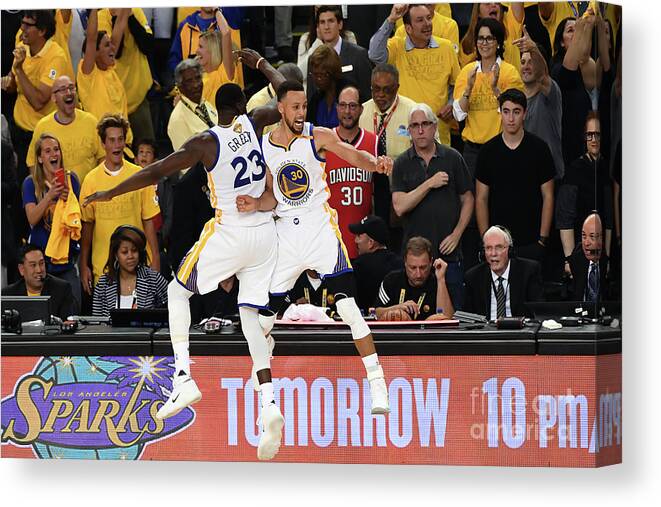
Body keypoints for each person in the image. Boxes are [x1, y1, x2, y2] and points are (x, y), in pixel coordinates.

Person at [84, 49, 287, 462]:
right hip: (267, 235)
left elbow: (155, 171)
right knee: (249, 318)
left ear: (217, 109)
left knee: (178, 294)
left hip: (231, 228)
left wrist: (109, 192)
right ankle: (268, 403)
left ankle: (183, 377)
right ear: (242, 107)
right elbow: (287, 91)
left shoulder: (206, 142)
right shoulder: (258, 120)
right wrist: (262, 64)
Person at [236, 79, 393, 419]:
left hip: (320, 230)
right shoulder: (264, 145)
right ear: (280, 108)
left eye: (304, 106)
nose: (301, 112)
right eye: (295, 107)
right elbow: (271, 196)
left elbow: (353, 154)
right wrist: (253, 204)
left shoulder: (315, 135)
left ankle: (377, 380)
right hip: (286, 238)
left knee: (350, 310)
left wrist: (375, 163)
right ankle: (266, 359)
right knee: (264, 318)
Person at [391, 103, 474, 308]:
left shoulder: (453, 158)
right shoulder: (402, 163)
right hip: (415, 263)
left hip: (449, 255)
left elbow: (468, 198)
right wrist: (429, 183)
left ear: (435, 127)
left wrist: (457, 233)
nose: (420, 130)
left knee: (452, 317)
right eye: (415, 125)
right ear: (409, 131)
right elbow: (400, 206)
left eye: (425, 124)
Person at [79, 113, 161, 292]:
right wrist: (83, 264)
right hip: (103, 269)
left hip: (138, 267)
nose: (117, 145)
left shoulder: (140, 175)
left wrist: (155, 259)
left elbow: (148, 221)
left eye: (120, 139)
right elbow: (87, 226)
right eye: (111, 140)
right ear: (103, 144)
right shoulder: (91, 180)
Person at [475, 88, 555, 263]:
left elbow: (548, 195)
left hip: (532, 242)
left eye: (516, 112)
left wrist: (542, 239)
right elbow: (481, 198)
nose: (511, 118)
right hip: (497, 244)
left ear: (524, 114)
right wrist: (486, 242)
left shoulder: (540, 149)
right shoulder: (487, 152)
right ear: (500, 113)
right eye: (506, 111)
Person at [368, 4, 460, 146]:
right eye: (420, 20)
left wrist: (451, 104)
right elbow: (374, 54)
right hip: (404, 134)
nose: (428, 24)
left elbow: (458, 85)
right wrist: (391, 20)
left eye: (429, 18)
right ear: (408, 28)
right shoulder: (397, 46)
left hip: (438, 134)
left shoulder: (446, 47)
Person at [453, 16, 525, 176]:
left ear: (498, 42)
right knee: (472, 197)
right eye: (480, 38)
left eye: (489, 38)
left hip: (500, 145)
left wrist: (495, 88)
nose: (484, 43)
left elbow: (514, 111)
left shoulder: (509, 72)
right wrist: (469, 87)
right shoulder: (467, 72)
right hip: (472, 150)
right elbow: (459, 115)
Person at [2, 10, 68, 182]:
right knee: (19, 188)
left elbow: (39, 101)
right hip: (18, 130)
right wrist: (9, 82)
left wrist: (18, 70)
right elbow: (13, 84)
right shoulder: (22, 45)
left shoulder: (56, 57)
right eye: (22, 23)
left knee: (41, 187)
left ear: (42, 31)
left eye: (27, 25)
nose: (21, 28)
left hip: (41, 136)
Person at [22, 133, 81, 312]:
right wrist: (50, 196)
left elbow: (78, 221)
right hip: (42, 264)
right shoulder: (31, 183)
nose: (53, 154)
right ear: (40, 158)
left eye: (56, 149)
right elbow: (32, 218)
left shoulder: (72, 181)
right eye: (47, 151)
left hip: (67, 262)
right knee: (41, 314)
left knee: (72, 312)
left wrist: (68, 198)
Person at [359, 63, 419, 229]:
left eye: (387, 90)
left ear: (397, 87)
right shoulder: (361, 112)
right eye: (376, 89)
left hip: (403, 191)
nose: (381, 95)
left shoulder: (412, 112)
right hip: (369, 194)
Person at [557, 113, 613, 277]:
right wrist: (569, 259)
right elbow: (565, 218)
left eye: (598, 134)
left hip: (601, 253)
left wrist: (607, 258)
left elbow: (609, 218)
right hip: (578, 251)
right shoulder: (575, 169)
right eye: (589, 135)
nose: (594, 139)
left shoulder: (605, 168)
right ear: (584, 137)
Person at [325, 84, 377, 259]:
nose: (347, 111)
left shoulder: (374, 142)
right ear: (337, 108)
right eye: (343, 105)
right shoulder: (323, 143)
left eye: (353, 106)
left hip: (364, 242)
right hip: (330, 239)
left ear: (361, 109)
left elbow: (382, 196)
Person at [26, 75, 105, 183]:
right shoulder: (43, 127)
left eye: (72, 88)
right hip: (57, 194)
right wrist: (43, 190)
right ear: (54, 98)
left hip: (89, 194)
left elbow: (103, 157)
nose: (69, 92)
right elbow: (32, 162)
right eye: (63, 90)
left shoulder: (91, 122)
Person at [76, 9, 134, 151]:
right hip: (102, 150)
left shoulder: (110, 69)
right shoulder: (88, 73)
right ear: (95, 52)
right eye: (107, 45)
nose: (113, 47)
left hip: (125, 147)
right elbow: (91, 39)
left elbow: (120, 22)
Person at [97, 8, 155, 142]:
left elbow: (148, 46)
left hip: (138, 97)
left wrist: (129, 17)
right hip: (114, 102)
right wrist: (119, 18)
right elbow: (116, 52)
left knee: (148, 150)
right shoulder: (102, 18)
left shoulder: (135, 11)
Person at [514, 26, 564, 180]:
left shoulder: (551, 92)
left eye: (531, 62)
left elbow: (542, 76)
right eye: (523, 62)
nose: (526, 66)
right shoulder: (517, 99)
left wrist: (533, 48)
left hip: (549, 176)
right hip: (525, 175)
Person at [462, 225, 543, 320]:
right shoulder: (473, 277)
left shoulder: (529, 271)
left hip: (519, 332)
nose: (493, 253)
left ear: (509, 250)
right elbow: (467, 318)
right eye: (488, 248)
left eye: (499, 247)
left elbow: (539, 314)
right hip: (487, 332)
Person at [550, 14, 595, 168]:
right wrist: (582, 28)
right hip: (566, 147)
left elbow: (584, 54)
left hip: (586, 143)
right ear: (561, 42)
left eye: (578, 31)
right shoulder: (556, 68)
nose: (576, 34)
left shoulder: (587, 66)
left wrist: (588, 26)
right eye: (570, 31)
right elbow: (567, 74)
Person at [92, 225, 168, 316]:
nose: (130, 256)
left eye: (134, 251)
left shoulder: (153, 279)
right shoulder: (103, 284)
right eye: (124, 252)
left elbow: (173, 309)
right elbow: (96, 324)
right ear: (116, 255)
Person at [303, 6, 372, 103]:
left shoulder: (358, 55)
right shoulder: (313, 59)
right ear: (318, 27)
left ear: (340, 24)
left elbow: (367, 97)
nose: (326, 27)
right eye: (322, 22)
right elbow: (312, 98)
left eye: (331, 21)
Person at [374, 236, 454, 321]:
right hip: (397, 333)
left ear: (431, 262)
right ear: (405, 262)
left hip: (428, 333)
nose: (418, 274)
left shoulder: (440, 282)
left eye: (423, 267)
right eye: (413, 267)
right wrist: (397, 308)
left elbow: (447, 319)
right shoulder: (391, 280)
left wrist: (441, 279)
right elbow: (375, 314)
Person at [2, 244, 75, 321]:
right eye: (33, 265)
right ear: (22, 269)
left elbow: (68, 322)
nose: (39, 270)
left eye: (41, 263)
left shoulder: (62, 289)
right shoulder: (8, 294)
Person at [349, 214, 403, 313]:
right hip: (396, 321)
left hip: (366, 322)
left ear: (371, 243)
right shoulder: (400, 263)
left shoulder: (359, 265)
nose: (355, 240)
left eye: (359, 236)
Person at [297, 5, 358, 92]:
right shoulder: (306, 39)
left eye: (330, 21)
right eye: (317, 10)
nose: (326, 27)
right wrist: (318, 42)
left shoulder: (349, 37)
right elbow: (300, 74)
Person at [167, 58, 218, 156]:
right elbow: (186, 164)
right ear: (180, 87)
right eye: (189, 81)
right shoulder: (177, 120)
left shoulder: (206, 105)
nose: (196, 85)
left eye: (198, 78)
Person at [459, 2, 524, 70]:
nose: (493, 5)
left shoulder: (509, 25)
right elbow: (466, 73)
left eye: (497, 2)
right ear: (478, 12)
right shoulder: (467, 43)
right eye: (487, 3)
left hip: (511, 79)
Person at [197, 10, 237, 107]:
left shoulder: (224, 74)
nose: (196, 51)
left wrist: (215, 10)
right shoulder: (198, 78)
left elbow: (226, 33)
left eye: (201, 47)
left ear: (213, 50)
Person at [567, 213, 609, 303]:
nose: (586, 243)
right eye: (584, 236)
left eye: (592, 237)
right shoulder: (576, 258)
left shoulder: (607, 261)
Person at [306, 44, 351, 128]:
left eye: (321, 75)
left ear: (332, 73)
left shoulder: (349, 93)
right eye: (314, 74)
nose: (317, 79)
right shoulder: (316, 99)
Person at [393, 3, 459, 51]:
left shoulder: (450, 25)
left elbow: (451, 56)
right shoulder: (401, 31)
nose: (427, 24)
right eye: (420, 20)